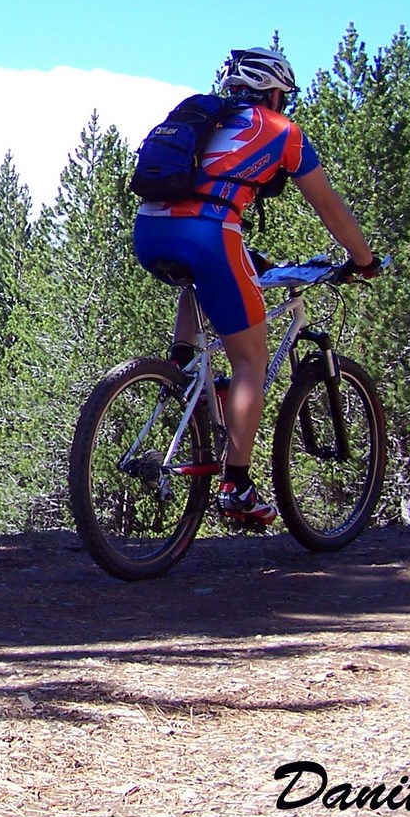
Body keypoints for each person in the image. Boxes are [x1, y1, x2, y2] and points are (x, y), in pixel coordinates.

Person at [132, 47, 380, 524]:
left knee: (200, 279)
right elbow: (328, 206)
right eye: (283, 96)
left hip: (150, 230)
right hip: (209, 234)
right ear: (273, 93)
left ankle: (182, 372)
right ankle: (237, 486)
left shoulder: (205, 118)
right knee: (250, 360)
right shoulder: (282, 131)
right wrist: (362, 260)